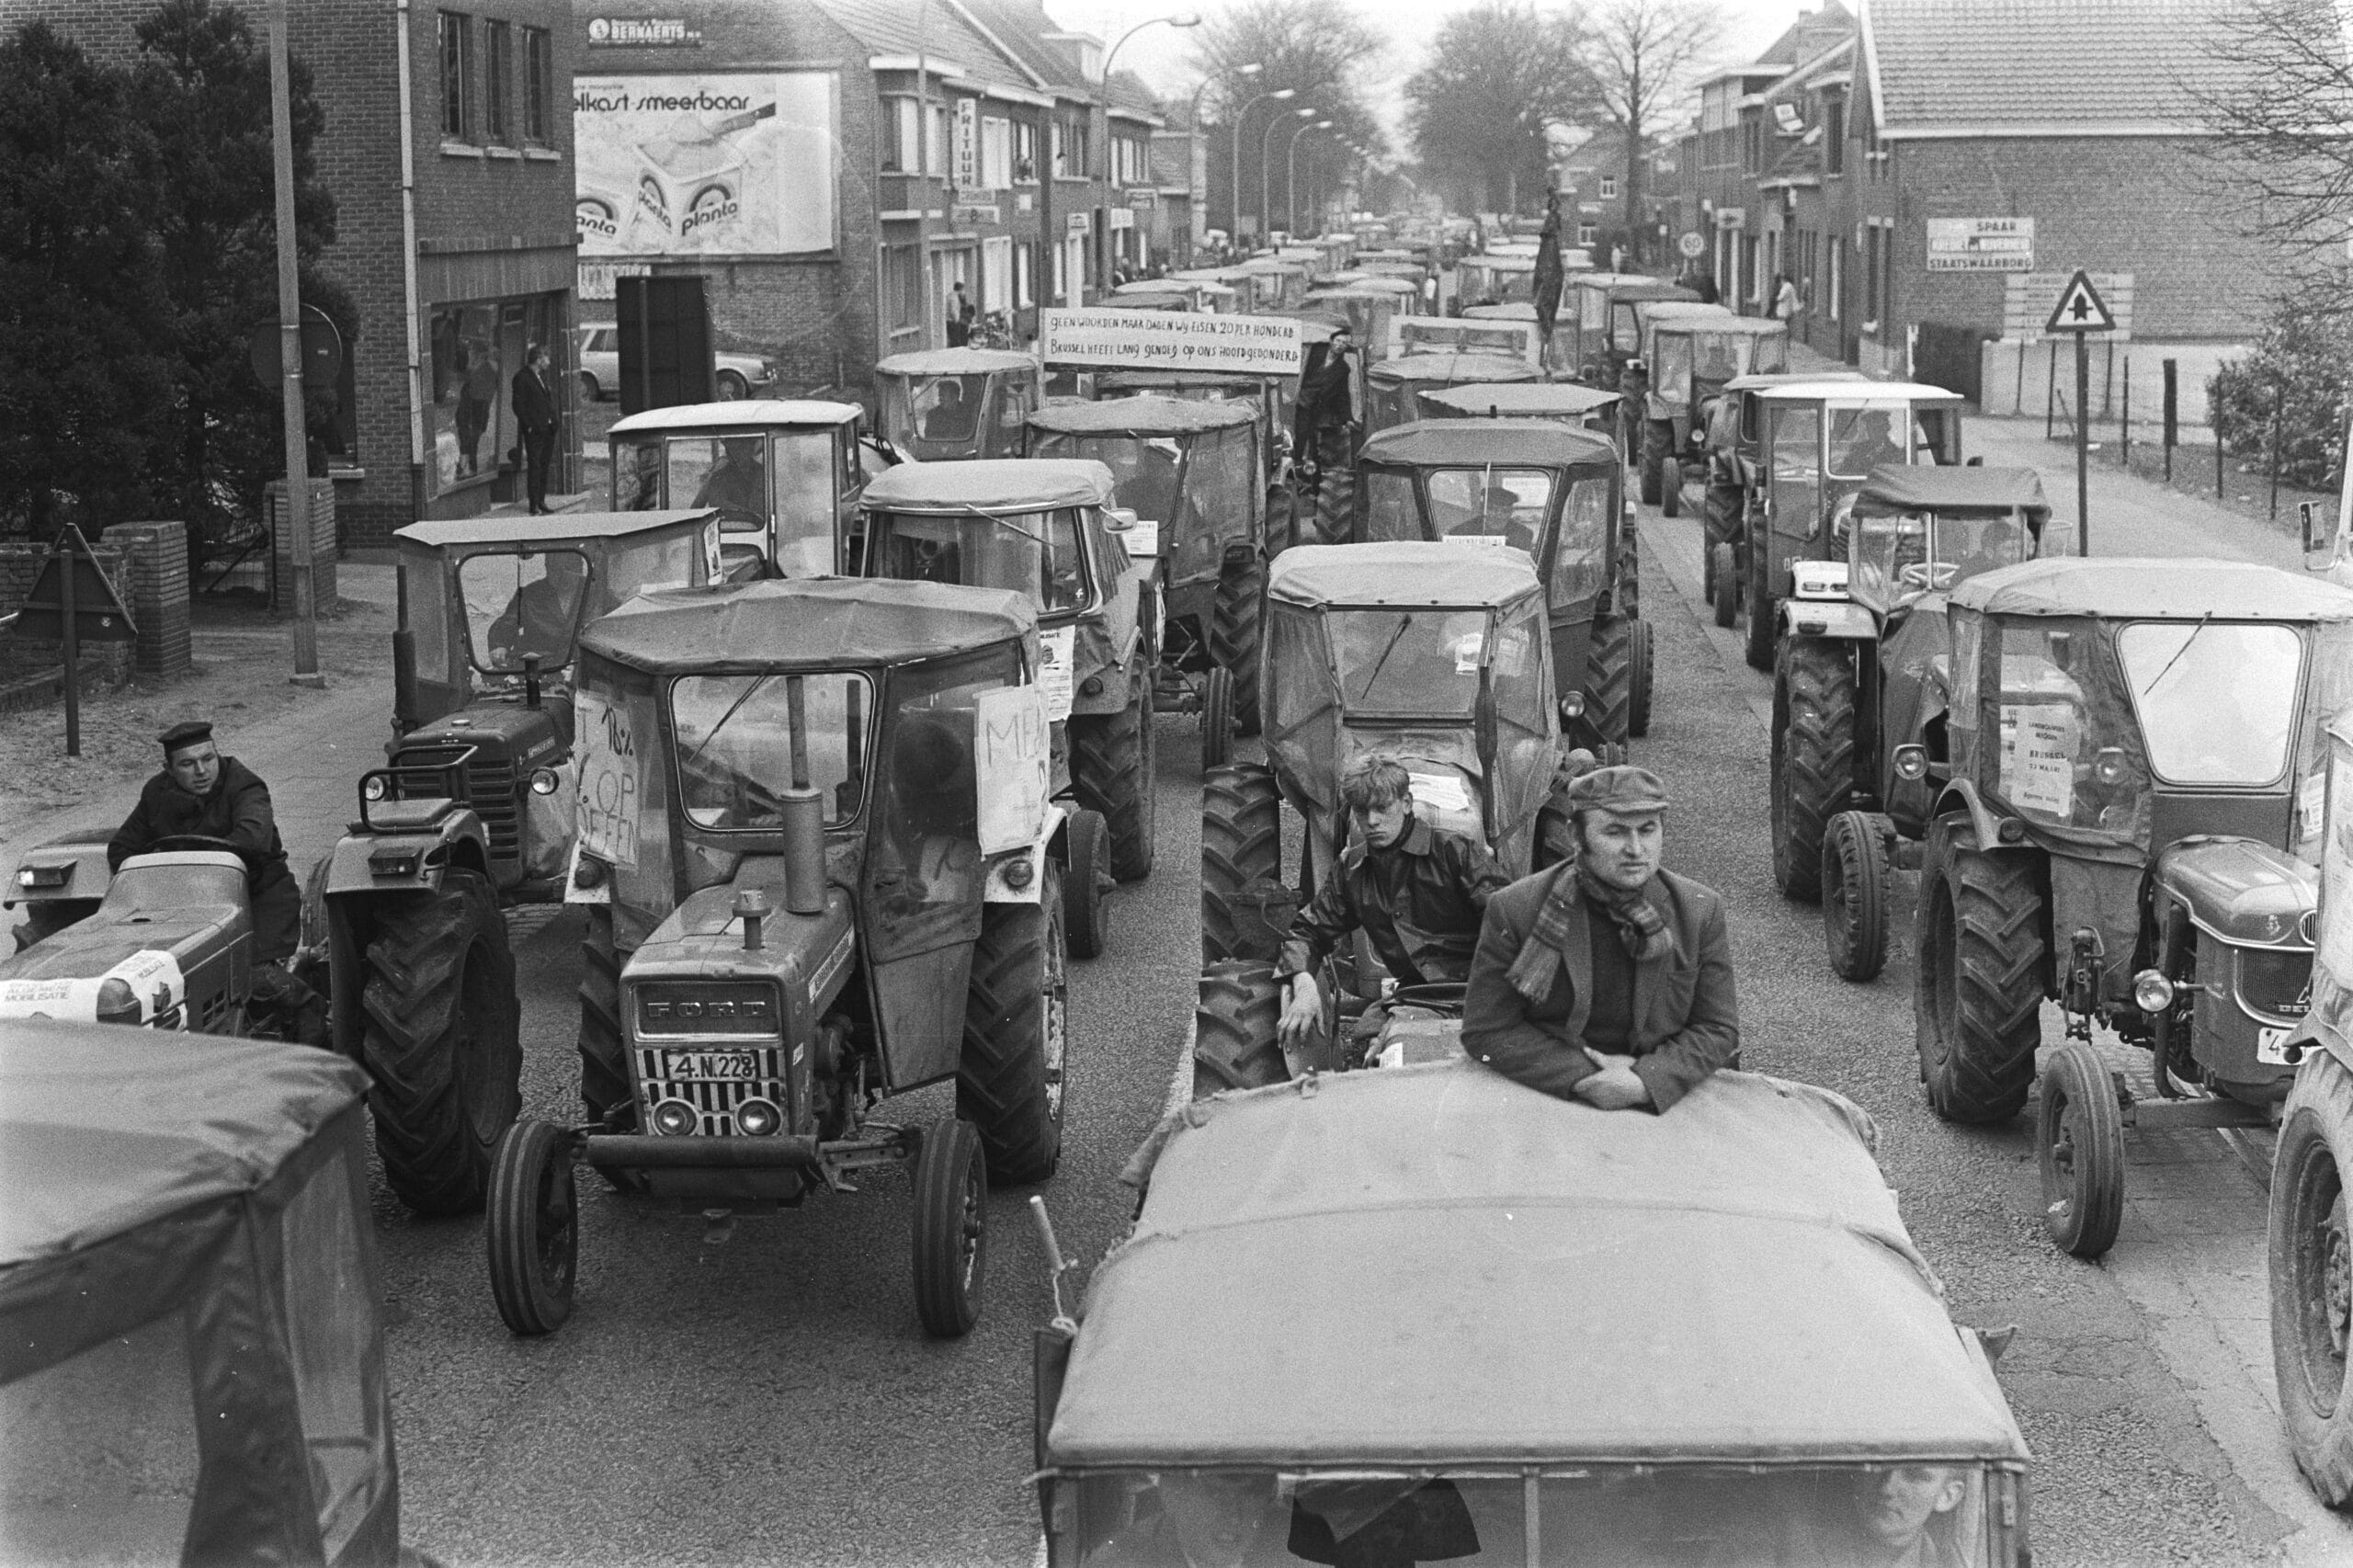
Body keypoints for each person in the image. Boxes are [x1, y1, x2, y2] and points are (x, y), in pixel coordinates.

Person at [1461, 766, 1737, 1112]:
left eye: (1647, 830)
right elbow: (1487, 1030)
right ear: (1577, 836)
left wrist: (1644, 1080)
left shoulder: (1699, 910)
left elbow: (1717, 1027)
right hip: (1556, 1093)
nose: (1636, 849)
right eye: (1615, 832)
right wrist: (1587, 1076)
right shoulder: (1516, 908)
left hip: (1660, 1096)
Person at [1276, 755, 1509, 1057]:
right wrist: (1304, 983)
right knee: (1386, 1051)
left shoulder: (1454, 852)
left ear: (1407, 803)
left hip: (1481, 990)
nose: (1372, 821)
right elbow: (1307, 931)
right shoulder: (1353, 870)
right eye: (1362, 811)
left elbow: (1510, 917)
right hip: (1417, 997)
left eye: (1382, 809)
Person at [108, 722, 323, 1042]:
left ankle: (312, 1012)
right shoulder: (156, 792)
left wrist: (182, 858)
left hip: (258, 897)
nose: (201, 771)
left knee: (252, 976)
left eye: (208, 759)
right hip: (184, 903)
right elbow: (122, 849)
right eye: (187, 764)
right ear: (169, 770)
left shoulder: (246, 787)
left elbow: (250, 841)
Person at [488, 551, 588, 668]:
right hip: (540, 670)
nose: (563, 576)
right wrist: (499, 646)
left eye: (568, 569)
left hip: (587, 668)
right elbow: (505, 625)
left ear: (580, 567)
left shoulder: (597, 594)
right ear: (547, 567)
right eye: (556, 569)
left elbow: (614, 623)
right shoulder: (530, 594)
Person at [1292, 325, 1360, 481]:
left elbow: (1343, 394)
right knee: (1298, 435)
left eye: (1344, 343)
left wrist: (1348, 417)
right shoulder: (1314, 353)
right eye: (1338, 341)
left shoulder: (1343, 369)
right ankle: (1297, 463)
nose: (1340, 345)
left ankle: (1312, 479)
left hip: (1318, 407)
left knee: (1315, 442)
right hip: (1301, 400)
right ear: (1331, 341)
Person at [512, 342, 560, 515]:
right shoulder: (522, 378)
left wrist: (552, 421)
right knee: (535, 465)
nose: (549, 362)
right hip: (535, 430)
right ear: (538, 359)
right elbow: (519, 405)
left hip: (547, 429)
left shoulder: (540, 378)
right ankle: (533, 504)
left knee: (544, 465)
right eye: (547, 358)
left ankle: (541, 500)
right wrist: (530, 426)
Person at [693, 436, 768, 516]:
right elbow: (718, 503)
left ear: (751, 449)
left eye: (742, 448)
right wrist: (748, 514)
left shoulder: (766, 474)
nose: (736, 454)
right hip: (730, 526)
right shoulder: (719, 478)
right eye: (732, 449)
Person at [923, 379, 977, 444]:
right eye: (939, 395)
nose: (940, 399)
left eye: (943, 395)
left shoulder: (968, 414)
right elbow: (929, 440)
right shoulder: (932, 415)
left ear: (955, 397)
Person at [947, 281, 976, 347]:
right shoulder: (954, 298)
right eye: (963, 290)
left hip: (953, 321)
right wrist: (957, 321)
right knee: (956, 341)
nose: (964, 292)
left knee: (955, 340)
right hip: (953, 322)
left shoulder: (951, 296)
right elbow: (953, 310)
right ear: (961, 289)